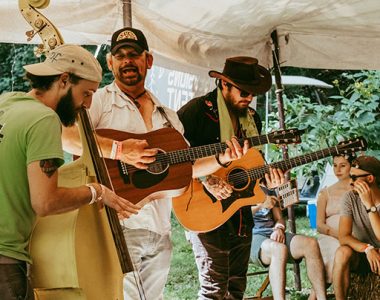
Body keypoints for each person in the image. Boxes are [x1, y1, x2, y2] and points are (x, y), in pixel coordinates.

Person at [61, 27, 247, 300]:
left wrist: (221, 159)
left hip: (159, 230)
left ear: (148, 61)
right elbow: (67, 138)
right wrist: (120, 150)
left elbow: (188, 168)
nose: (127, 61)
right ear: (110, 62)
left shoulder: (168, 117)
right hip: (117, 224)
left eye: (134, 55)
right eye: (120, 55)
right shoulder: (98, 101)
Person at [0, 44, 141, 300]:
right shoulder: (44, 119)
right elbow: (46, 202)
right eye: (86, 93)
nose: (87, 105)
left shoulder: (6, 103)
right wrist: (96, 191)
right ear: (64, 80)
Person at [177, 56, 272, 299]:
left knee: (236, 289)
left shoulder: (253, 119)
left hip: (240, 212)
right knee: (214, 289)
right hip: (204, 210)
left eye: (253, 93)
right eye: (244, 91)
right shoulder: (195, 112)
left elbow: (251, 164)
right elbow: (173, 161)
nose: (249, 98)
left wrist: (270, 177)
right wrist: (205, 180)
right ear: (224, 84)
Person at [250, 168, 327, 300]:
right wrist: (261, 205)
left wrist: (279, 228)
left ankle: (321, 298)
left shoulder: (267, 188)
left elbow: (279, 218)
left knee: (311, 244)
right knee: (279, 249)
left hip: (272, 233)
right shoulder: (240, 191)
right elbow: (237, 219)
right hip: (250, 238)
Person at [332, 155, 380, 300]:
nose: (350, 183)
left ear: (370, 179)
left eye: (354, 178)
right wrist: (367, 248)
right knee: (342, 252)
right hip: (363, 253)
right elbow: (343, 236)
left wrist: (369, 206)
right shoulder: (350, 198)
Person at [316, 155, 354, 287]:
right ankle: (318, 294)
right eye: (335, 165)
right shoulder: (325, 192)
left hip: (351, 237)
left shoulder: (357, 189)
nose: (338, 169)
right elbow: (319, 225)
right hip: (329, 236)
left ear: (352, 166)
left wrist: (345, 237)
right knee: (334, 248)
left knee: (341, 250)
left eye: (343, 165)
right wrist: (338, 235)